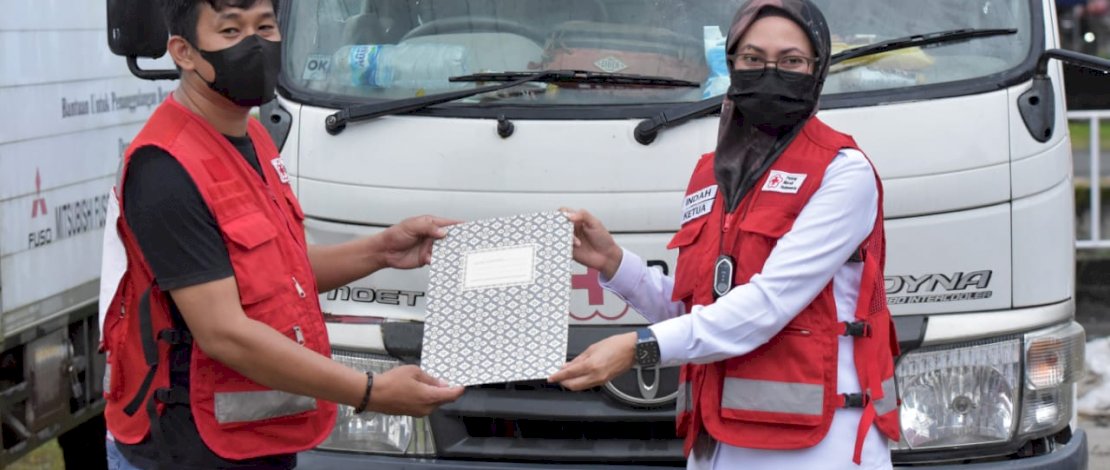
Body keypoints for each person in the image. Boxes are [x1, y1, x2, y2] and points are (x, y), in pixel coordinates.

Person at [98, 1, 464, 468]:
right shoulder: (166, 168)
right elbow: (224, 333)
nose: (255, 44)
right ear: (183, 52)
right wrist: (369, 391)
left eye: (265, 26)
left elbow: (277, 272)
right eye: (231, 31)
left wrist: (381, 250)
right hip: (189, 448)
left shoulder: (253, 136)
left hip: (257, 443)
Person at [549, 1, 899, 469]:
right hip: (718, 444)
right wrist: (614, 263)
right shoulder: (711, 175)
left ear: (817, 70)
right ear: (730, 63)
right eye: (752, 59)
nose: (770, 73)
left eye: (791, 61)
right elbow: (698, 310)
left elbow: (767, 305)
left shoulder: (841, 172)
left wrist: (641, 347)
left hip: (818, 447)